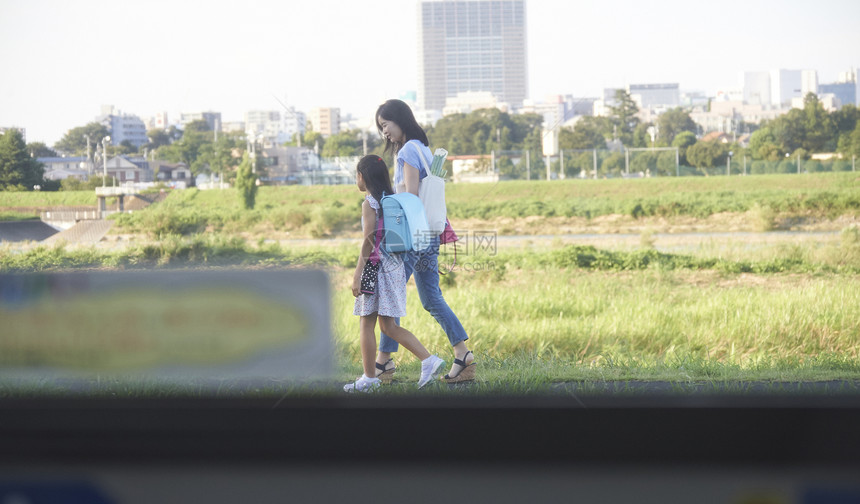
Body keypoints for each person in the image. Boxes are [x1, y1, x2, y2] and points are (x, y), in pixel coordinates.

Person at [374, 99, 476, 383]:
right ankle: (463, 355)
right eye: (381, 128)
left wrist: (394, 228)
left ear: (400, 120)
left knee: (391, 298)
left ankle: (383, 362)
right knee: (431, 298)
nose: (384, 133)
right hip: (430, 234)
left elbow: (411, 199)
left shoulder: (407, 150)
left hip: (411, 235)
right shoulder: (424, 149)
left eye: (385, 125)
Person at [346, 154, 445, 393]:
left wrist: (358, 272)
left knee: (366, 323)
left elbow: (369, 238)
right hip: (393, 266)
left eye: (356, 175)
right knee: (388, 326)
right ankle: (429, 360)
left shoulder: (369, 202)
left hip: (375, 267)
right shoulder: (393, 200)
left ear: (362, 177)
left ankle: (369, 379)